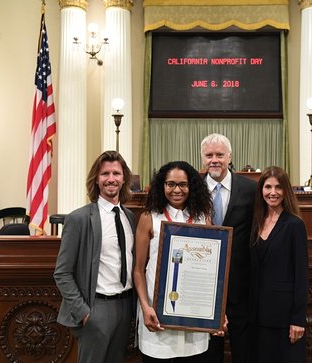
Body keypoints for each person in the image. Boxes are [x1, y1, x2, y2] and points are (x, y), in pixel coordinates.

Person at [54, 150, 136, 363]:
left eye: (116, 173)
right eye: (105, 174)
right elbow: (62, 272)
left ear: (124, 177)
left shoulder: (129, 217)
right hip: (96, 307)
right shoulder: (79, 219)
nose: (111, 179)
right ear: (96, 180)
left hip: (125, 305)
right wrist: (84, 312)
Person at [133, 161, 216, 362]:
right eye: (170, 184)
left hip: (194, 316)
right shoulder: (149, 218)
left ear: (191, 187)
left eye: (183, 184)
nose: (176, 190)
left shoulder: (202, 217)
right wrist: (145, 307)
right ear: (162, 186)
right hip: (157, 313)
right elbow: (138, 270)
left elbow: (212, 270)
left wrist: (215, 309)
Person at [200, 133, 256, 363]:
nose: (215, 160)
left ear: (229, 157)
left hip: (241, 287)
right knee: (209, 354)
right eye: (209, 155)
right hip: (202, 286)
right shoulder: (191, 189)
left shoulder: (251, 189)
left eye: (220, 155)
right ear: (202, 158)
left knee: (244, 353)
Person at [248, 166, 309, 363]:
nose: (273, 192)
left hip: (284, 319)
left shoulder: (294, 225)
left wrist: (297, 319)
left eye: (278, 187)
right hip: (256, 317)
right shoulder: (255, 222)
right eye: (267, 187)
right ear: (261, 190)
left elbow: (301, 275)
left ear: (286, 191)